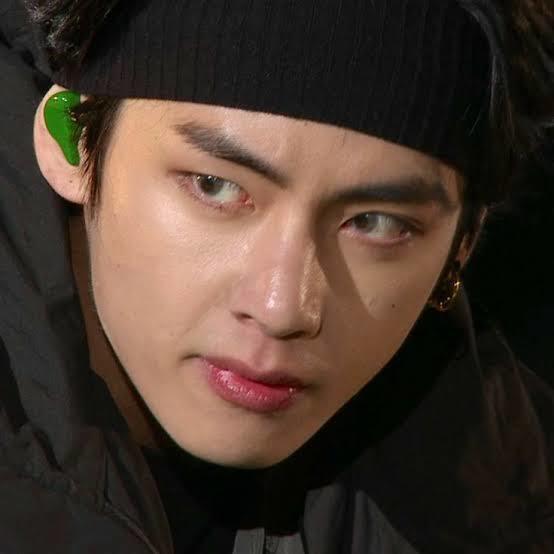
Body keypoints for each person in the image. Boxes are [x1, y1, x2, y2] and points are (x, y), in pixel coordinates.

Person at [0, 0, 552, 552]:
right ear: (72, 140)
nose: (281, 307)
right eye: (215, 187)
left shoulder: (516, 503)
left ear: (462, 247)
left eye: (376, 224)